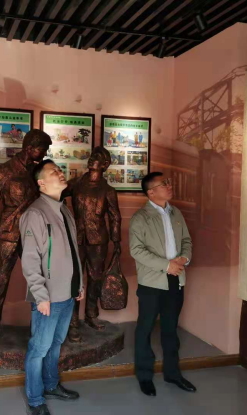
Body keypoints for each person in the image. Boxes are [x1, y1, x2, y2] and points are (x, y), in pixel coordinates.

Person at [20, 160, 84, 415]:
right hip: (47, 296)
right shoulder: (35, 214)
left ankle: (51, 385)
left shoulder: (64, 210)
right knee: (39, 349)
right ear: (41, 183)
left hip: (67, 293)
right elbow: (30, 260)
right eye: (53, 172)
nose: (60, 173)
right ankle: (35, 400)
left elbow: (73, 251)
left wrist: (79, 284)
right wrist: (40, 296)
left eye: (60, 169)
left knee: (56, 343)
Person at [0, 129, 52, 338]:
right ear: (30, 148)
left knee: (40, 278)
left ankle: (40, 323)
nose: (44, 153)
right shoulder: (4, 171)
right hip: (9, 232)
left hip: (34, 231)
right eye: (42, 149)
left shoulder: (38, 172)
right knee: (1, 278)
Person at [129, 172, 195, 397]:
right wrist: (166, 265)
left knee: (170, 329)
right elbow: (136, 250)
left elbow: (186, 240)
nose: (169, 186)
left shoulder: (176, 213)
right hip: (152, 281)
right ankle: (144, 376)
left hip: (176, 278)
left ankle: (173, 373)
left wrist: (184, 258)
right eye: (164, 184)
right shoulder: (140, 217)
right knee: (145, 329)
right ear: (151, 192)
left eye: (168, 182)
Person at [62, 147, 121, 342]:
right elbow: (57, 195)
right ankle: (72, 322)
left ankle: (91, 314)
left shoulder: (108, 191)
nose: (92, 159)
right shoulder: (76, 184)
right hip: (77, 238)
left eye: (97, 157)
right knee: (74, 279)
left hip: (98, 240)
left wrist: (116, 241)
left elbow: (115, 217)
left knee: (95, 278)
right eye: (92, 156)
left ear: (105, 165)